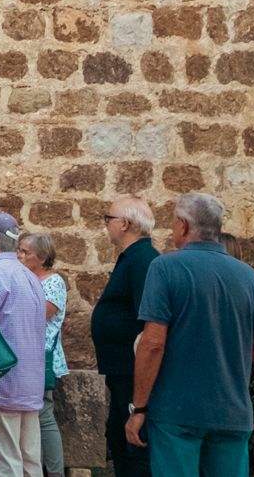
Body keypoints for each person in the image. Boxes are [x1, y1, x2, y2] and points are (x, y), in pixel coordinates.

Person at [125, 192, 254, 477]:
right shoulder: (248, 276)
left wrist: (139, 408)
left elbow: (153, 343)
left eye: (173, 224)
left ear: (183, 225)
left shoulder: (166, 267)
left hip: (177, 411)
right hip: (233, 410)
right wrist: (222, 351)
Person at [0, 212, 45, 477]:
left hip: (2, 382)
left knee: (2, 461)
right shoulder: (29, 276)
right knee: (29, 460)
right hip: (29, 382)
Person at [92, 197, 157, 477]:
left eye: (108, 219)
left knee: (134, 443)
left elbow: (149, 323)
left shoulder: (142, 261)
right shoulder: (131, 258)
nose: (106, 225)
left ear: (125, 224)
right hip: (121, 371)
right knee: (118, 438)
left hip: (132, 372)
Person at [16, 231, 67, 477]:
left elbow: (36, 316)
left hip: (41, 359)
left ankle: (55, 473)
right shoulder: (26, 279)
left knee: (45, 417)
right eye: (19, 250)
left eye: (26, 252)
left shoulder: (53, 282)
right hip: (25, 360)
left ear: (43, 256)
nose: (20, 255)